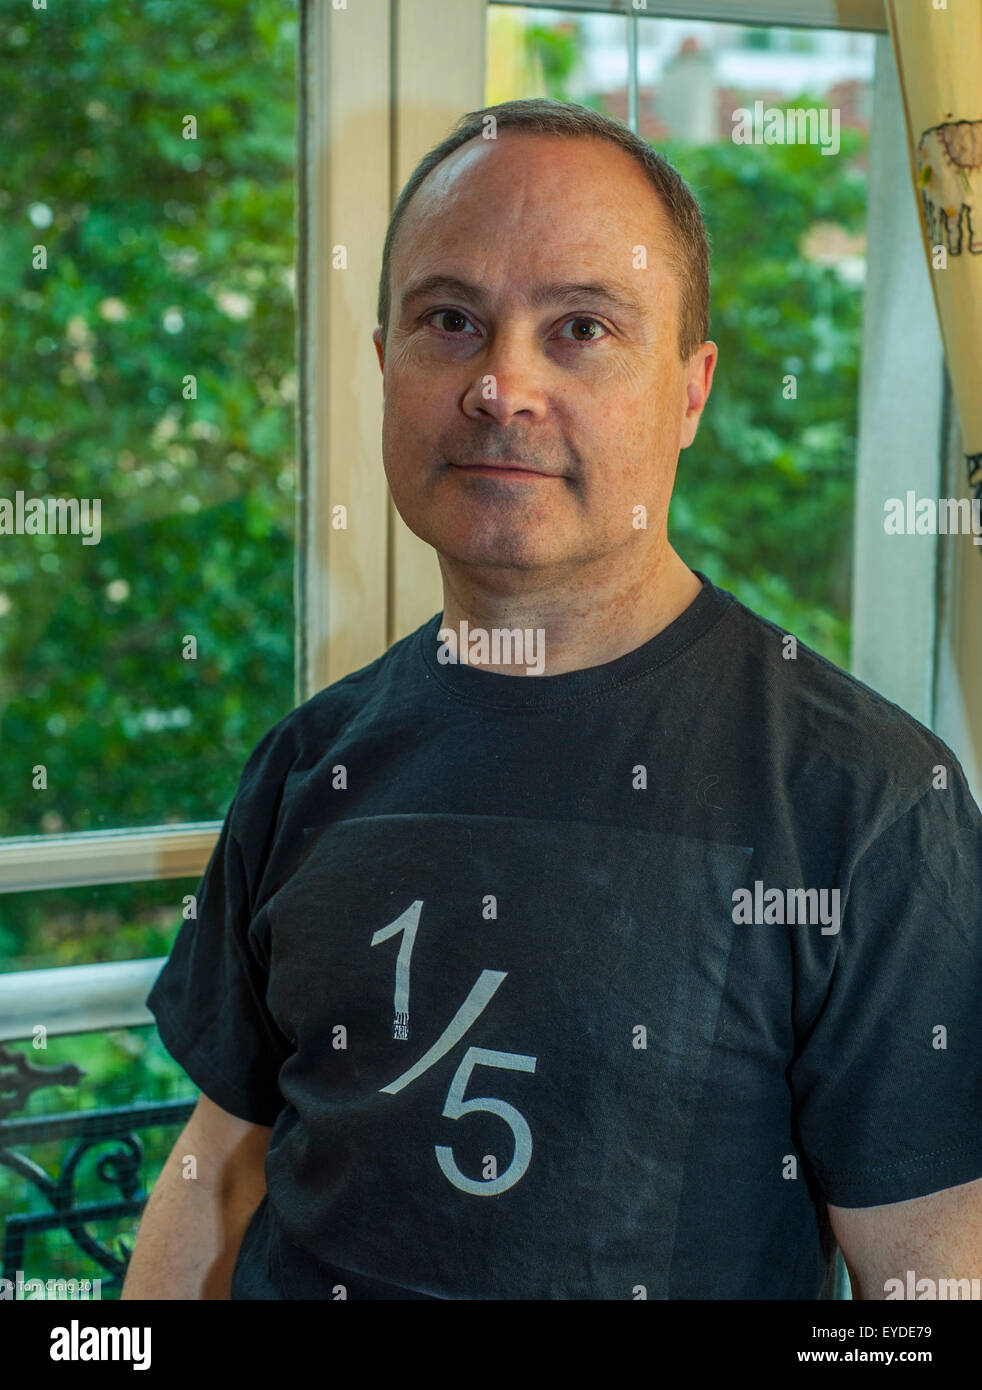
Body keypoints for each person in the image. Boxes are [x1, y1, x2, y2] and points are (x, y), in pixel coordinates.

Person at [122, 98, 982, 1301]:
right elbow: (217, 1169)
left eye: (580, 326)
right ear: (386, 367)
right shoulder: (311, 761)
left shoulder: (870, 804)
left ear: (689, 393)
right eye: (449, 320)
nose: (499, 385)